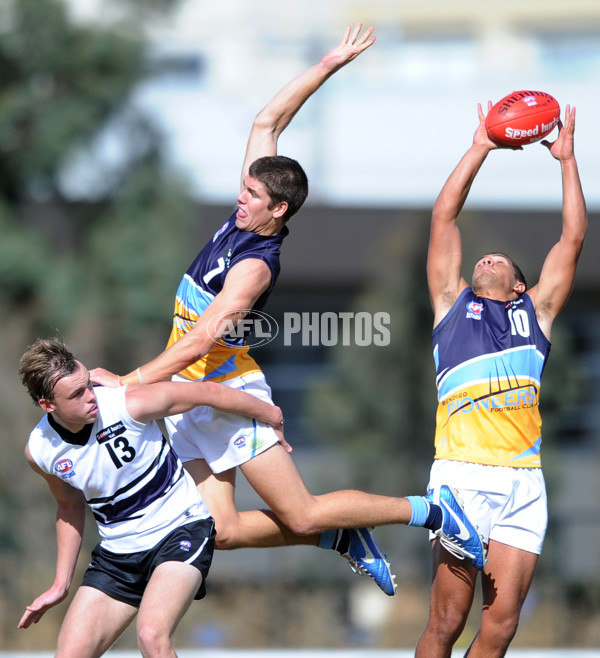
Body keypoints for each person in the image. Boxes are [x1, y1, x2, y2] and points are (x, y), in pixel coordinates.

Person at [90, 24, 485, 596]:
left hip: (229, 393)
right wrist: (329, 64)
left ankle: (428, 510)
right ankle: (341, 537)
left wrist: (126, 386)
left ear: (278, 209)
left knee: (300, 511)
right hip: (189, 394)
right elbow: (266, 123)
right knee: (219, 530)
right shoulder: (247, 211)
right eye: (243, 190)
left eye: (250, 196)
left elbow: (201, 342)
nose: (238, 198)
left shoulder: (254, 267)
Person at [416, 103, 587, 657]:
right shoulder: (449, 304)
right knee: (448, 617)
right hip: (462, 475)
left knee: (502, 625)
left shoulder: (533, 315)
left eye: (500, 260)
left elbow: (573, 238)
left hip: (523, 480)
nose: (487, 258)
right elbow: (444, 218)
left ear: (519, 285)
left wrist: (566, 160)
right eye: (482, 259)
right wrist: (481, 148)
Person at [18, 337, 285, 657]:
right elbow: (69, 504)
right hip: (118, 555)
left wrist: (272, 415)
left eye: (88, 383)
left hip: (180, 530)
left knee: (151, 637)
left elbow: (208, 393)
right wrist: (60, 584)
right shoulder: (41, 451)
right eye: (77, 394)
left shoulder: (127, 402)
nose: (91, 396)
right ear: (48, 405)